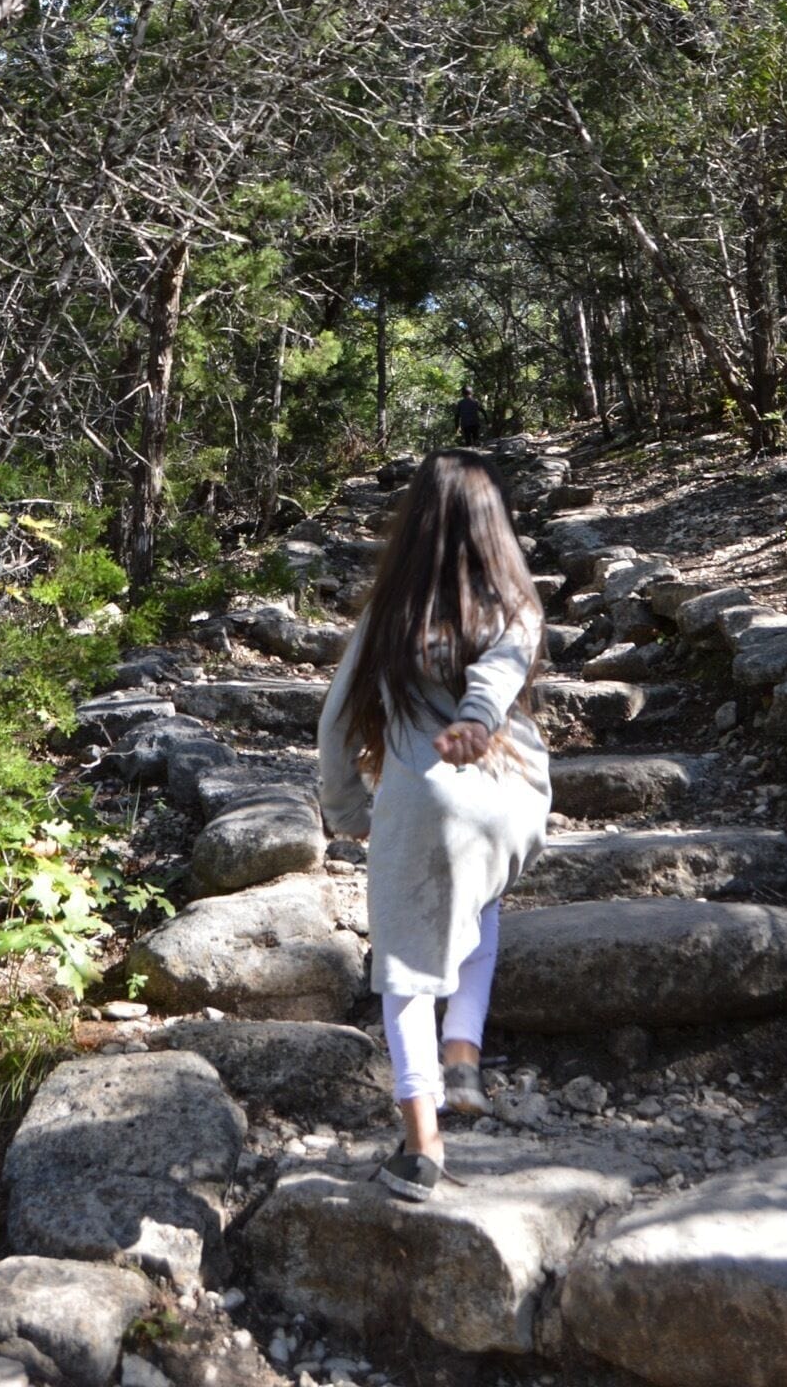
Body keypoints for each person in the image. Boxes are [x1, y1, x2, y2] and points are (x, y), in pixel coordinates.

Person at [317, 451, 549, 1201]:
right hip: (511, 802)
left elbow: (333, 728)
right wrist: (483, 718)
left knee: (406, 971)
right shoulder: (517, 602)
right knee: (477, 907)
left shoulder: (389, 616)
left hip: (427, 801)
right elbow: (502, 671)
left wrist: (351, 810)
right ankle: (463, 1055)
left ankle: (422, 1144)